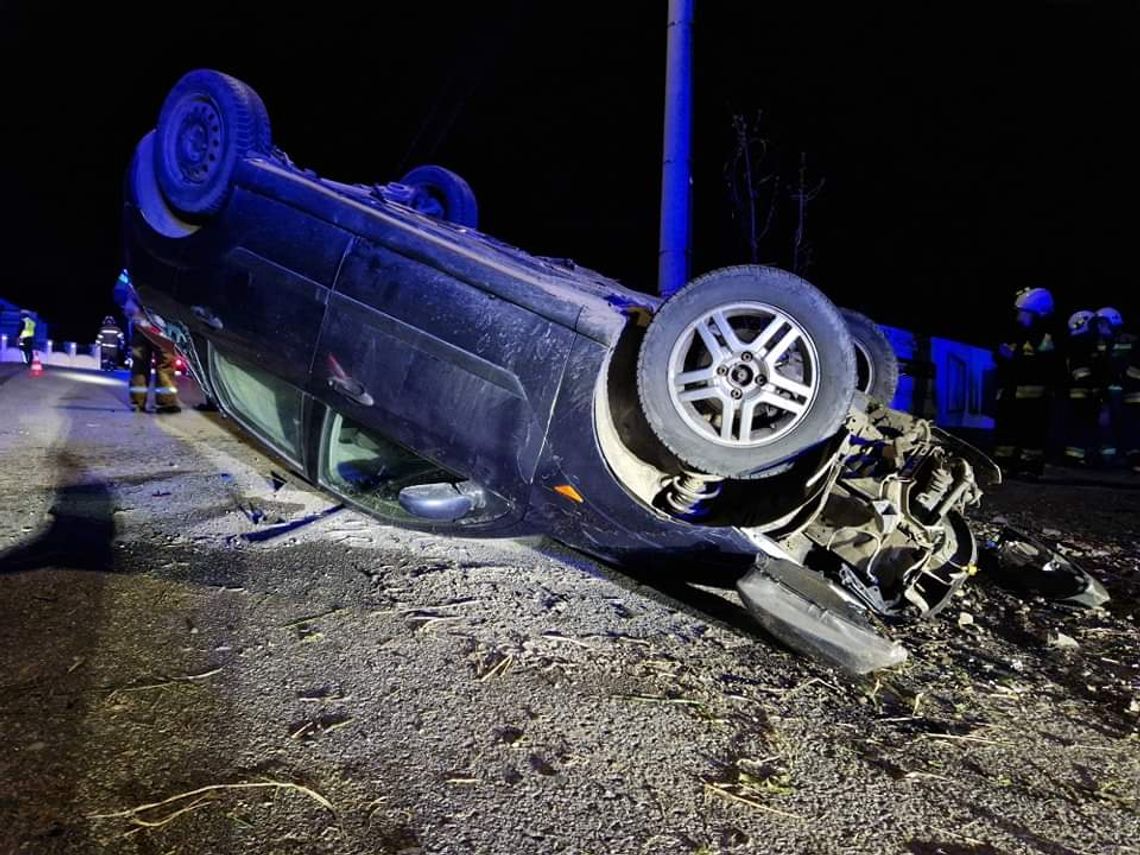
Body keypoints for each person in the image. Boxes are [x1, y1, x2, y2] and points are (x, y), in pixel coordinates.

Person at [993, 287, 1062, 477]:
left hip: (1035, 399)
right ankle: (1004, 465)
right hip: (1010, 395)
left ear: (1037, 314)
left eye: (1023, 314)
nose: (1018, 318)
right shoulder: (1015, 334)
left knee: (1032, 435)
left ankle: (1028, 467)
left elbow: (1046, 368)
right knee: (1007, 434)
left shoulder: (1047, 339)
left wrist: (1013, 360)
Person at [113, 269, 181, 414]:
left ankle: (137, 403)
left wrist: (131, 311)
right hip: (162, 328)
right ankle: (166, 403)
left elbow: (119, 292)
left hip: (140, 326)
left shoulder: (132, 268)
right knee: (165, 364)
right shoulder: (167, 268)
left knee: (139, 365)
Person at [1096, 307, 1139, 471]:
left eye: (1102, 323)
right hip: (1112, 394)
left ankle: (1133, 460)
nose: (1099, 328)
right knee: (1108, 426)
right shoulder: (1102, 344)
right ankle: (1111, 460)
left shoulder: (1130, 341)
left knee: (1131, 428)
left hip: (1131, 394)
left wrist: (1126, 378)